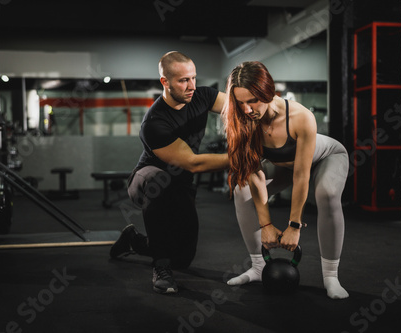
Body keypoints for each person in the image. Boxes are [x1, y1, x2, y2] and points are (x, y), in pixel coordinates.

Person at [222, 61, 349, 299]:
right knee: (242, 191)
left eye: (252, 101)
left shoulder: (301, 117)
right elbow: (253, 172)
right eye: (240, 102)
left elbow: (302, 175)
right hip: (284, 165)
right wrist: (266, 225)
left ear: (267, 92)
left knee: (327, 194)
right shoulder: (242, 121)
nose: (247, 109)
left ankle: (331, 276)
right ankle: (259, 267)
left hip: (327, 157)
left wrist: (294, 225)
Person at [110, 51, 228, 294]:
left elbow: (237, 109)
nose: (191, 86)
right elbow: (193, 163)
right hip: (147, 179)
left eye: (193, 78)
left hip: (181, 184)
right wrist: (242, 159)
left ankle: (134, 240)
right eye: (183, 80)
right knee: (160, 181)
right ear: (165, 82)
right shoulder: (154, 122)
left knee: (183, 258)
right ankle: (160, 267)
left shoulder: (203, 95)